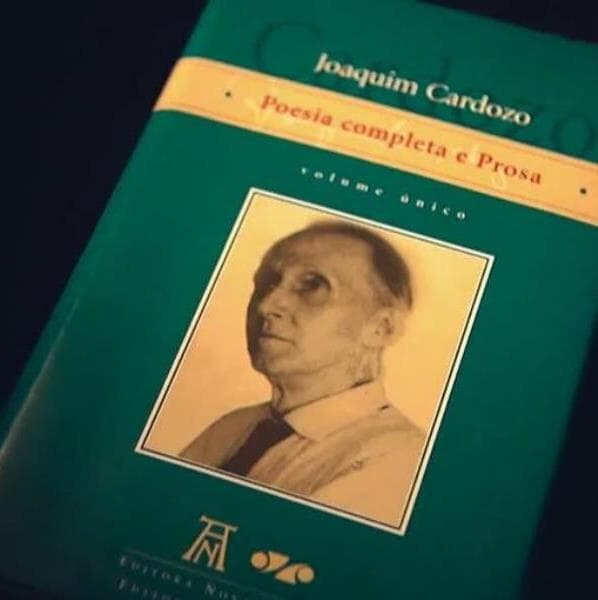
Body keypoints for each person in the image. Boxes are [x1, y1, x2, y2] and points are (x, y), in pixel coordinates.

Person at [180, 220, 425, 526]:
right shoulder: (230, 429)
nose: (266, 305)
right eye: (267, 283)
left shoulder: (396, 461)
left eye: (312, 286)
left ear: (381, 329)